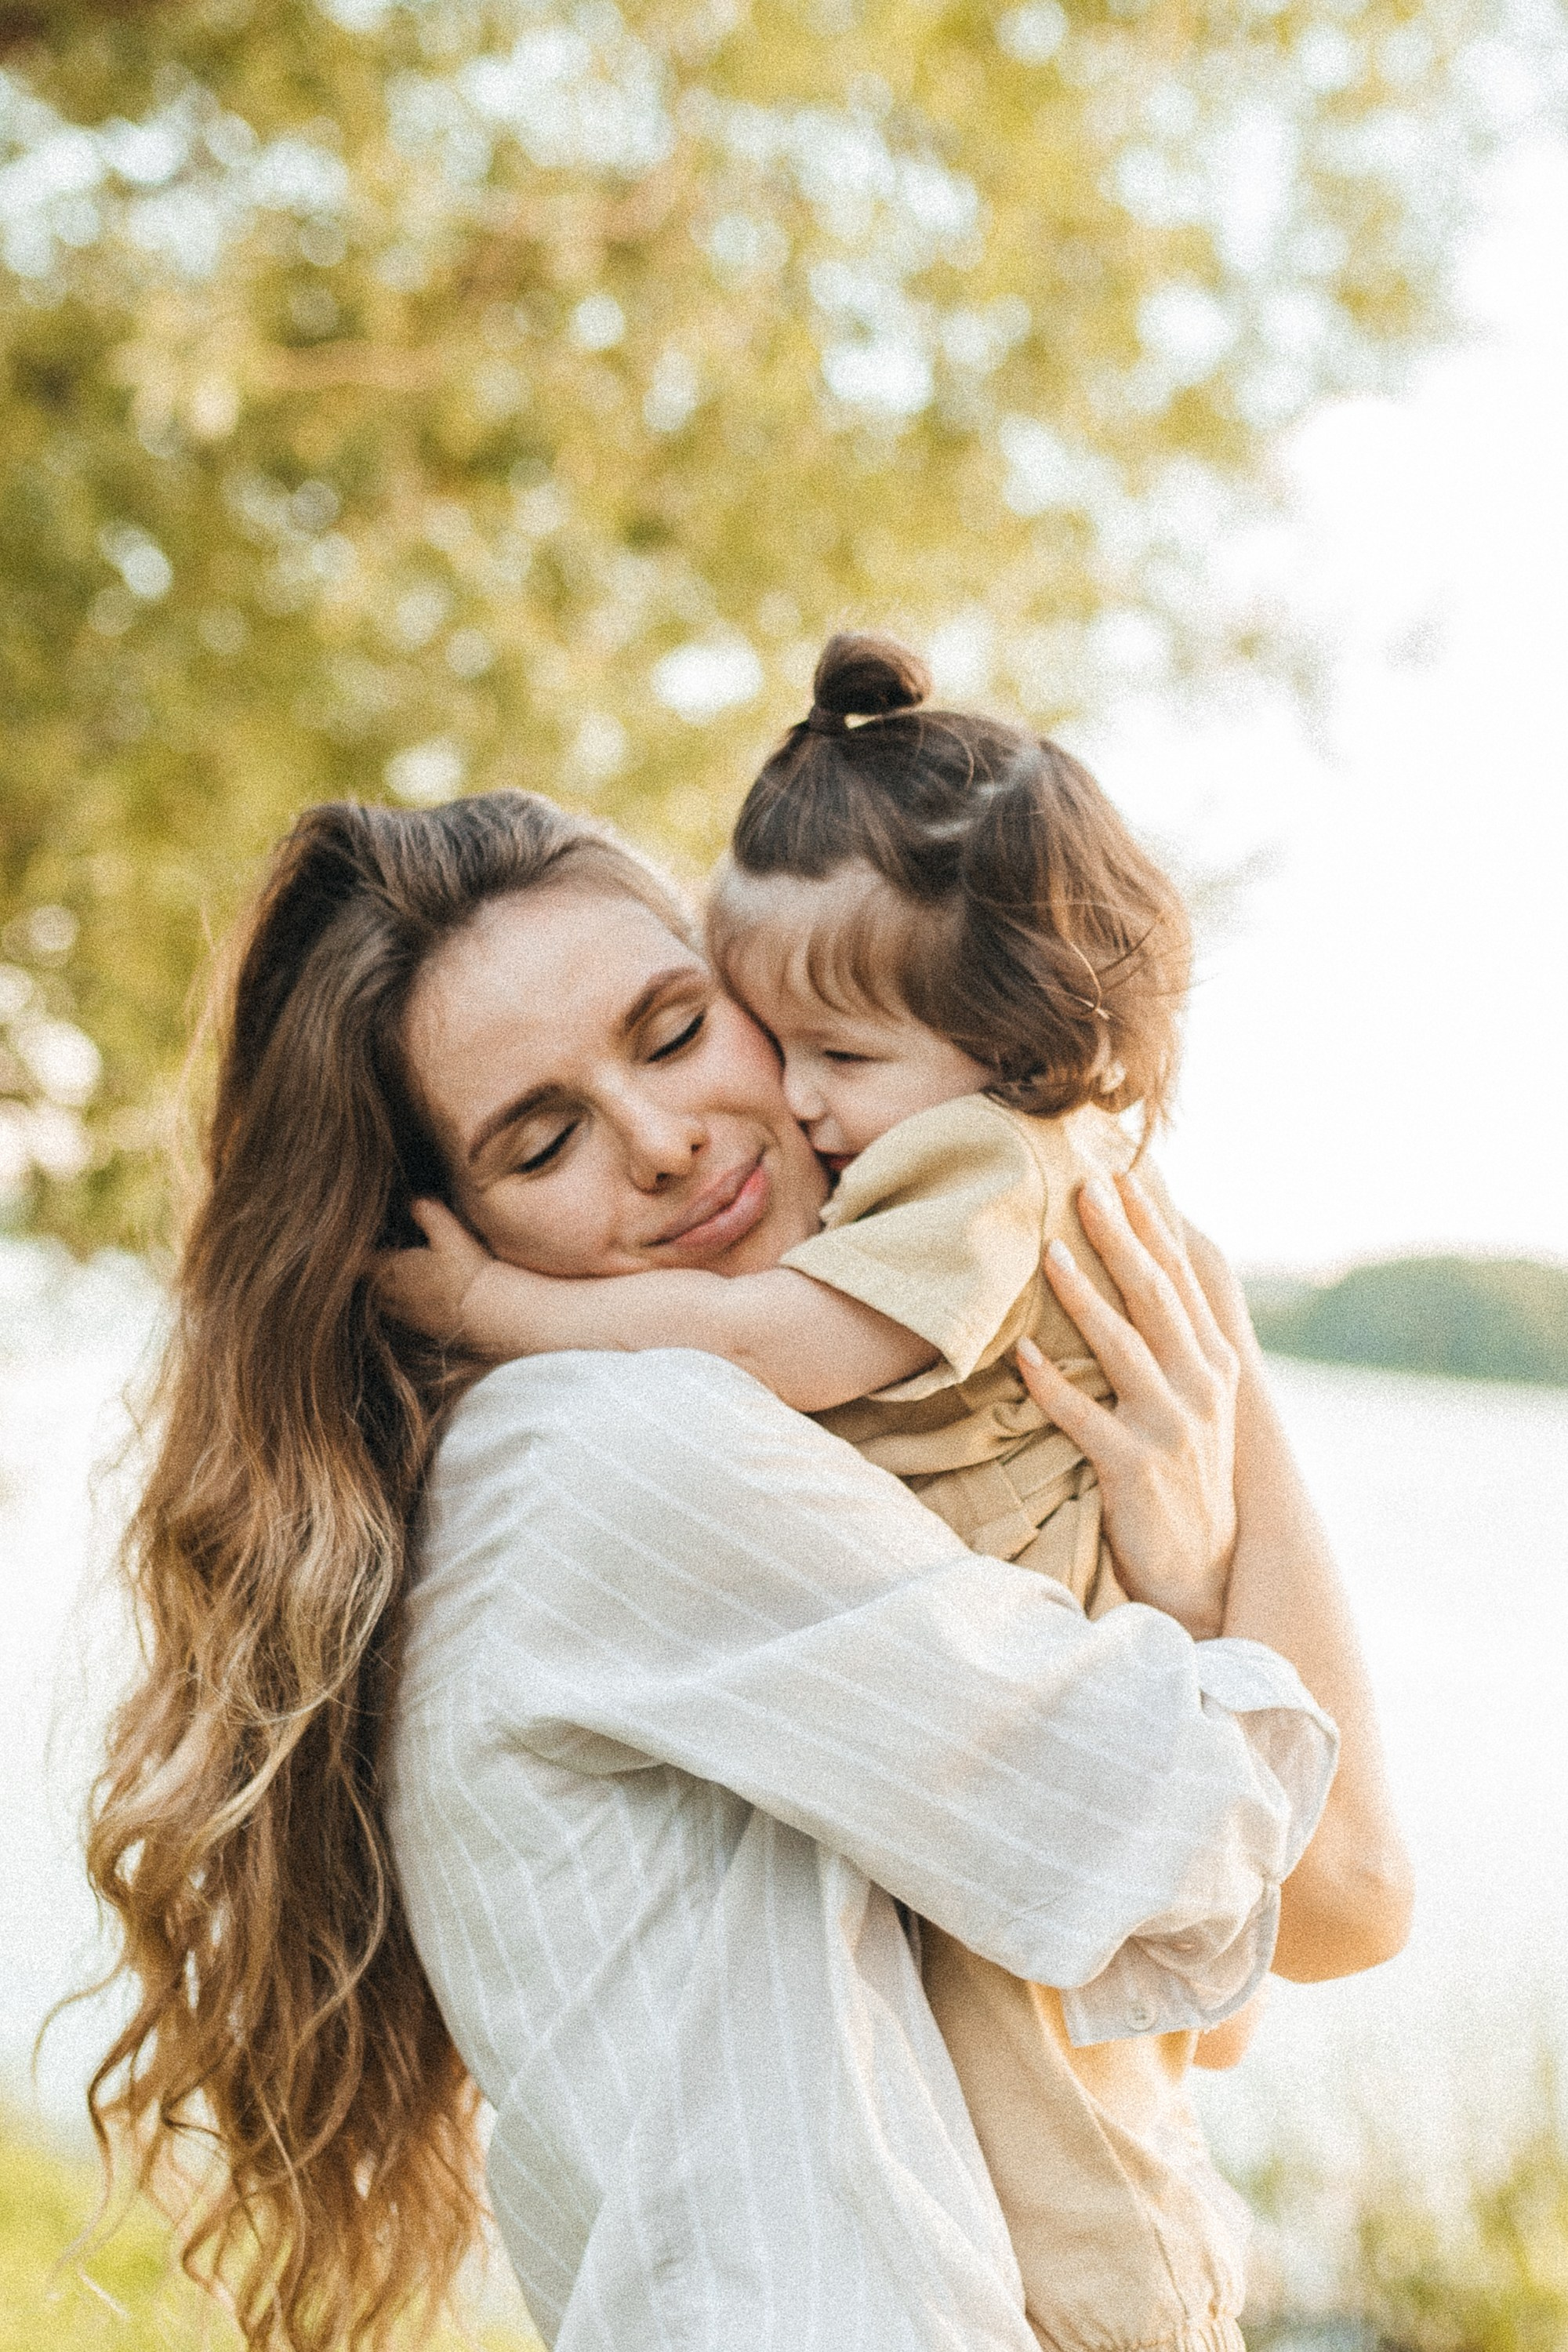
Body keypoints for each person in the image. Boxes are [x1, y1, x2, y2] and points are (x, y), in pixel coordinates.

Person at [85, 789, 1410, 2352]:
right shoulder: (604, 1450)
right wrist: (1197, 1368)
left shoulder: (842, 1476)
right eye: (545, 1137)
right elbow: (1346, 1888)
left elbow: (1234, 1984)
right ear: (441, 1238)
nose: (663, 1145)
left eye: (671, 1032)